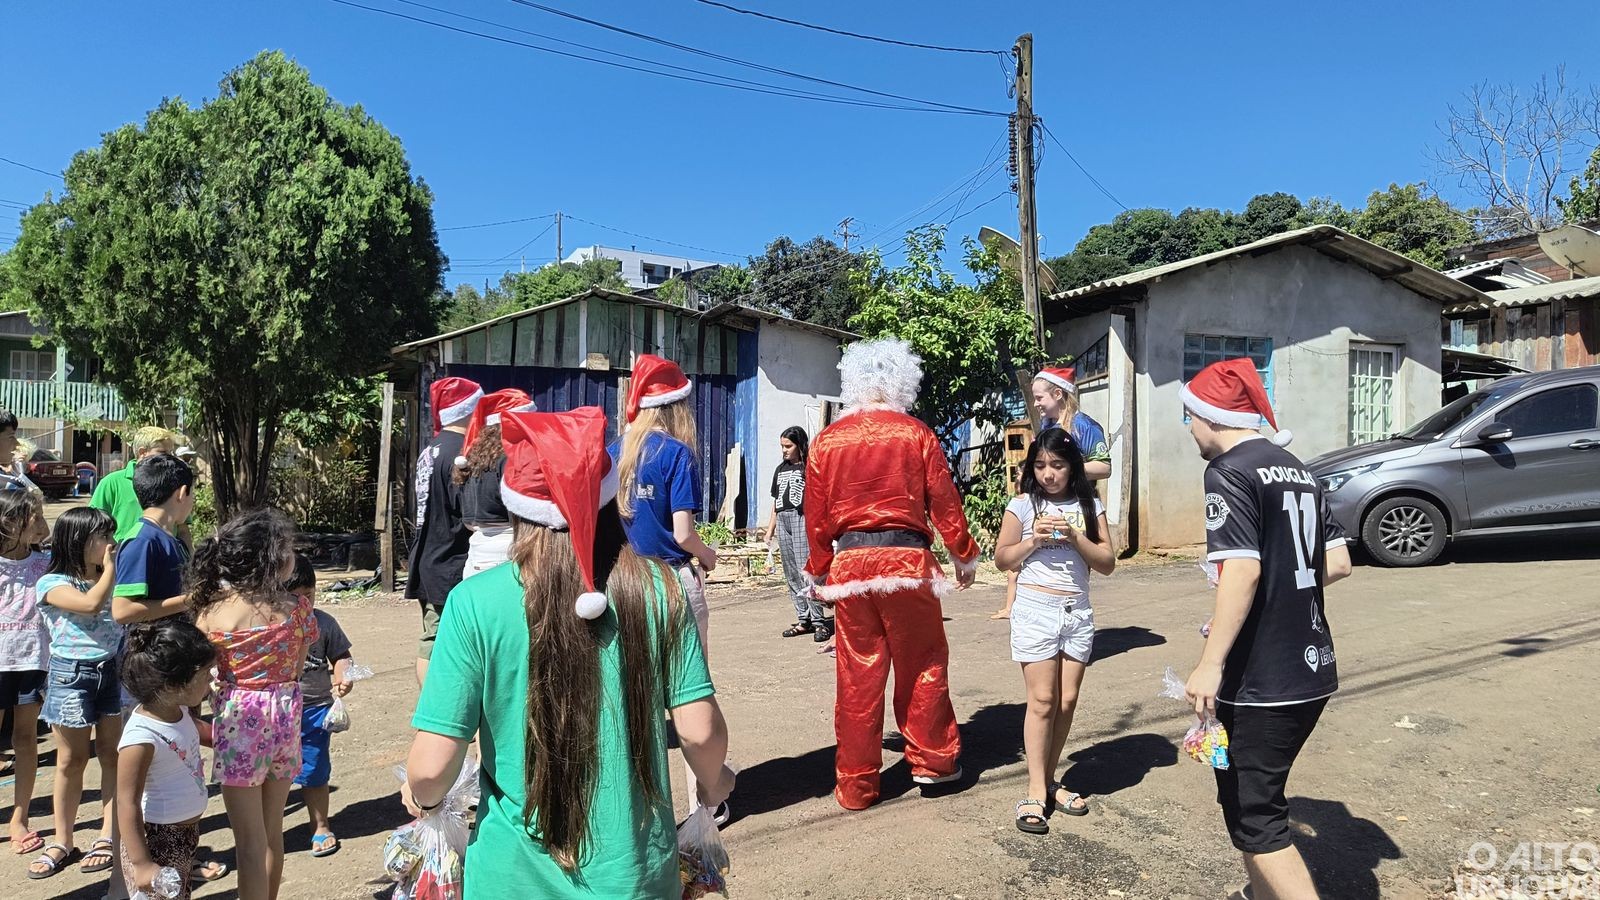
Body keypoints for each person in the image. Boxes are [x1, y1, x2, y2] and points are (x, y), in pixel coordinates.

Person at [403, 406, 735, 898]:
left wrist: (423, 797)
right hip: (636, 878)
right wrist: (713, 784)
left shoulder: (473, 603)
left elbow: (431, 768)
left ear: (514, 507)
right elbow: (699, 730)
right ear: (608, 501)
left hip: (511, 881)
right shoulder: (659, 590)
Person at [1179, 358, 1353, 900]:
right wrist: (1266, 597)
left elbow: (1245, 568)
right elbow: (1338, 561)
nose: (1189, 430)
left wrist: (1211, 662)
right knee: (1246, 805)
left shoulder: (1227, 471)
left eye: (1190, 417)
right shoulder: (1297, 467)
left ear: (1210, 417)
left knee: (1259, 821)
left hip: (1264, 679)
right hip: (1312, 667)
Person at [804, 338, 981, 811]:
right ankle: (932, 763)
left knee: (857, 676)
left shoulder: (827, 440)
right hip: (906, 565)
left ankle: (857, 786)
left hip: (852, 569)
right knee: (922, 664)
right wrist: (963, 553)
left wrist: (820, 570)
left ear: (852, 381)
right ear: (905, 379)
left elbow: (816, 517)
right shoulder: (917, 434)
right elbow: (944, 500)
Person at [609, 355, 727, 822]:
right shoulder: (677, 455)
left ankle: (638, 803)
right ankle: (707, 799)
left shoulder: (616, 452)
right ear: (676, 407)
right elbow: (682, 534)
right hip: (672, 582)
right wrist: (708, 555)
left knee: (634, 695)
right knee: (688, 693)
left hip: (624, 585)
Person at [992, 428, 1116, 835]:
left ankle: (1049, 781)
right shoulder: (1023, 505)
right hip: (1036, 612)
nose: (1048, 474)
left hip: (1077, 613)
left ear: (1073, 468)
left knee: (1066, 701)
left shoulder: (1088, 503)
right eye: (1041, 465)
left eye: (1058, 465)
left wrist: (1076, 535)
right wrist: (1033, 540)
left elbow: (1107, 562)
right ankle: (1033, 788)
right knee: (1042, 700)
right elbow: (1001, 558)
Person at [190, 508, 318, 900]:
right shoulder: (297, 610)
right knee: (272, 832)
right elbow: (296, 669)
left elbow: (199, 673)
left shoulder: (211, 614)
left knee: (247, 840)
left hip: (238, 721)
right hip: (284, 715)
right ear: (274, 558)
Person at [32, 508, 125, 879]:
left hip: (110, 670)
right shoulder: (52, 581)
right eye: (103, 537)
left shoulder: (109, 577)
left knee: (111, 755)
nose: (110, 544)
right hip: (71, 675)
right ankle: (62, 839)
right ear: (79, 540)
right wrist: (112, 570)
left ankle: (106, 834)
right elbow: (90, 605)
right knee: (71, 761)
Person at [994, 367, 1112, 621]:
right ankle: (1027, 614)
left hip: (1076, 506)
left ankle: (1073, 622)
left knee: (1073, 564)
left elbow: (1105, 467)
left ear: (1058, 394)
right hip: (1042, 503)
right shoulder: (1047, 426)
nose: (1035, 404)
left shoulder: (1084, 425)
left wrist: (1068, 469)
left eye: (1039, 398)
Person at [115, 618, 218, 900]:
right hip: (156, 840)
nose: (212, 679)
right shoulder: (141, 739)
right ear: (175, 683)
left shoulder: (177, 709)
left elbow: (195, 731)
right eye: (205, 673)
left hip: (183, 834)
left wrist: (231, 739)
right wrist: (142, 864)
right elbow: (126, 802)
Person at [408, 376, 481, 687]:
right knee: (436, 637)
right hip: (449, 558)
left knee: (434, 633)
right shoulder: (460, 454)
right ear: (468, 411)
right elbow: (467, 514)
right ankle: (433, 705)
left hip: (426, 554)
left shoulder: (431, 449)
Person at [285, 555, 354, 859]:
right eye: (294, 597)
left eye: (309, 595)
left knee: (314, 770)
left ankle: (321, 825)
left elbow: (341, 655)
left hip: (315, 711)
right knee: (273, 775)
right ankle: (268, 829)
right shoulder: (273, 626)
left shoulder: (324, 623)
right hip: (278, 712)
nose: (303, 603)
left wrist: (342, 677)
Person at [0, 487, 49, 859]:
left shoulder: (46, 561)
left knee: (26, 738)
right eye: (34, 515)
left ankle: (20, 817)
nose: (41, 522)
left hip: (32, 661)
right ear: (11, 522)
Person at [452, 388, 536, 576]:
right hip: (505, 552)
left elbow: (467, 519)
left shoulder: (472, 457)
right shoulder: (510, 458)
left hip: (477, 550)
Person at [111, 453, 196, 626]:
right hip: (153, 649)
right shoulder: (142, 541)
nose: (193, 500)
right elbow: (122, 611)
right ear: (181, 493)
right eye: (192, 493)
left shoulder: (169, 538)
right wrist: (190, 600)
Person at [763, 426, 829, 642]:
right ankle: (803, 619)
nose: (784, 450)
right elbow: (776, 502)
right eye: (782, 446)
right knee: (790, 570)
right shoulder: (780, 469)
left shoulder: (809, 468)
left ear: (800, 446)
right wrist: (770, 530)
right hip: (784, 520)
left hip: (802, 519)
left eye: (788, 446)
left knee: (806, 569)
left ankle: (819, 620)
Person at [90, 426, 179, 542]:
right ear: (142, 452)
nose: (169, 458)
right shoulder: (112, 483)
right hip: (122, 558)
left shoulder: (174, 483)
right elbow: (93, 526)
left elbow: (183, 528)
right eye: (163, 452)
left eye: (171, 453)